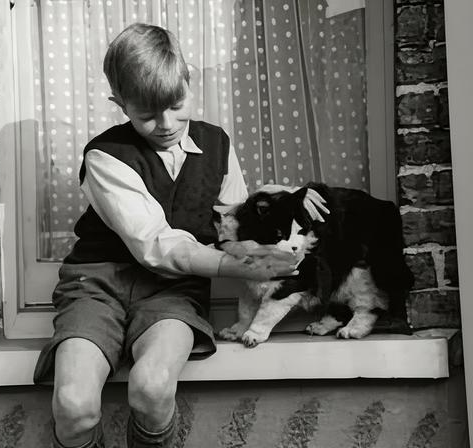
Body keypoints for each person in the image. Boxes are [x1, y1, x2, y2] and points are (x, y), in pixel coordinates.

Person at [33, 23, 325, 448]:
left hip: (172, 293)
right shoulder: (105, 156)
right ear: (120, 104)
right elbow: (155, 244)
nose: (166, 123)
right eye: (146, 114)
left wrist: (292, 199)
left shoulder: (217, 144)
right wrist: (234, 266)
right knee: (74, 405)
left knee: (151, 388)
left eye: (175, 104)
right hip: (96, 285)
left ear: (188, 80)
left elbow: (235, 219)